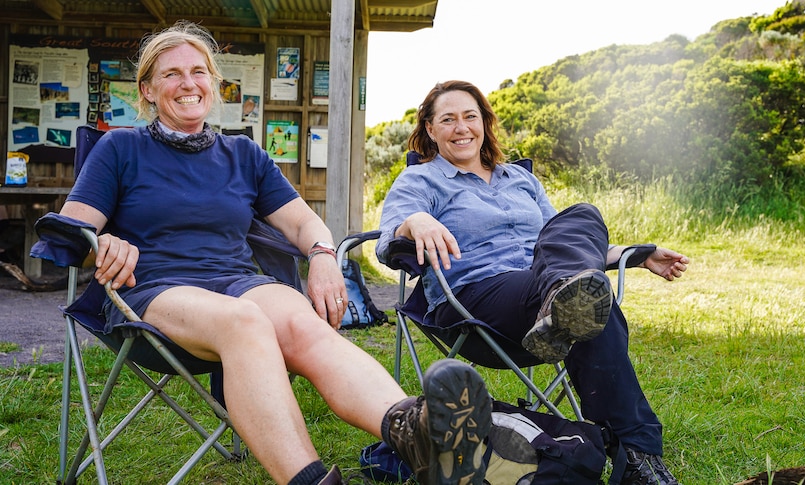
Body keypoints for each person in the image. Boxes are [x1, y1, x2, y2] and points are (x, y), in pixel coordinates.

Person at [59, 23, 492, 485]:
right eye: (172, 74)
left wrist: (324, 256)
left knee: (300, 324)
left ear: (213, 81)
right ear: (147, 89)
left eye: (199, 71)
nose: (188, 83)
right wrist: (103, 242)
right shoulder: (121, 148)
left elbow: (304, 223)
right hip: (152, 290)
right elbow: (72, 233)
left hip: (237, 281)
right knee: (244, 322)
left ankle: (418, 434)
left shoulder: (243, 154)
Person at [376, 80, 690, 485]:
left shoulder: (519, 180)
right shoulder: (421, 182)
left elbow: (564, 241)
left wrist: (639, 254)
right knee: (590, 302)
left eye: (470, 116)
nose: (461, 127)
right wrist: (415, 219)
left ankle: (562, 305)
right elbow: (388, 242)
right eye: (448, 119)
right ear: (431, 130)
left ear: (484, 123)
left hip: (541, 288)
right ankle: (640, 458)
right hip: (475, 298)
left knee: (581, 217)